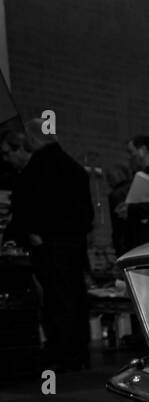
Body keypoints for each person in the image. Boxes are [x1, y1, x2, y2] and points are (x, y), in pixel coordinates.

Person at [2, 120, 94, 371]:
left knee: (56, 300)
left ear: (32, 141)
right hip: (75, 245)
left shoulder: (36, 169)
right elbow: (87, 216)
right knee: (76, 297)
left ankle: (62, 353)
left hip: (49, 246)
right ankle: (79, 352)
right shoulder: (75, 169)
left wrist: (30, 235)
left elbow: (24, 208)